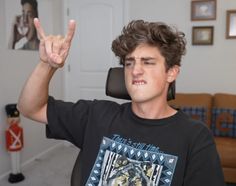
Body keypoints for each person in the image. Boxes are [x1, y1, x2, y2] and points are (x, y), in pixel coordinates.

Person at [17, 18, 225, 185]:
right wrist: (47, 65)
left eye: (148, 62)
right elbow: (30, 108)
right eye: (129, 62)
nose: (135, 70)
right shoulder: (96, 114)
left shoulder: (194, 136)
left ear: (171, 72)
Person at [5, 104, 25, 183]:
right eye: (12, 117)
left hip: (18, 147)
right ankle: (14, 172)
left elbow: (22, 137)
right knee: (14, 160)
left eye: (16, 117)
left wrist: (22, 145)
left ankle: (18, 171)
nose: (15, 119)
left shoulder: (20, 128)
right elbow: (7, 139)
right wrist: (8, 148)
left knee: (18, 159)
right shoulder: (8, 130)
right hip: (12, 148)